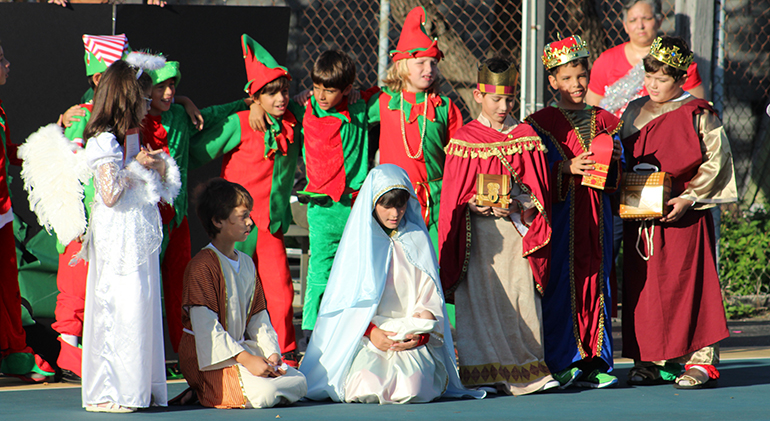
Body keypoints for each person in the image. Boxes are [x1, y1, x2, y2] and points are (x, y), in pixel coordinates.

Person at [300, 164, 485, 404]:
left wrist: (421, 335)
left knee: (412, 387)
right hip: (366, 339)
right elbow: (345, 304)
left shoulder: (417, 239)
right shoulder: (360, 244)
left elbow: (429, 297)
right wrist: (372, 332)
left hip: (409, 339)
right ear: (372, 204)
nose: (395, 213)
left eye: (401, 204)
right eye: (386, 205)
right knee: (366, 385)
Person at [619, 36, 737, 389]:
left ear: (680, 80)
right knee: (646, 289)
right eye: (649, 77)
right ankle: (650, 360)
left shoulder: (699, 112)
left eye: (662, 80)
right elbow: (622, 158)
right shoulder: (632, 110)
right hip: (641, 219)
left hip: (683, 215)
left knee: (689, 285)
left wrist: (688, 198)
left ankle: (699, 360)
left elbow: (718, 162)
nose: (652, 85)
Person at [438, 57, 557, 395]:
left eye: (509, 99)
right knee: (479, 301)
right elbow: (452, 199)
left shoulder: (526, 137)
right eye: (496, 99)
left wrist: (519, 206)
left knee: (520, 298)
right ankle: (484, 373)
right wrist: (470, 205)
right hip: (477, 239)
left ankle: (529, 370)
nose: (504, 107)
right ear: (478, 96)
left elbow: (540, 196)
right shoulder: (464, 139)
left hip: (515, 233)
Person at [189, 34, 301, 366]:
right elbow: (196, 152)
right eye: (271, 92)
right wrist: (244, 106)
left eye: (284, 90)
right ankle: (223, 356)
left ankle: (284, 357)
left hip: (269, 223)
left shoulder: (292, 120)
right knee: (228, 292)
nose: (281, 98)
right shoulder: (240, 122)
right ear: (256, 96)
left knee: (280, 289)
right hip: (234, 226)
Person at [80, 56, 180, 412]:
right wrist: (136, 166)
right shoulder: (104, 141)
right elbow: (108, 194)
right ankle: (113, 389)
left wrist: (154, 164)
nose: (147, 103)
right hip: (118, 235)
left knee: (141, 302)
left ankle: (139, 386)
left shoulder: (130, 135)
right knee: (121, 304)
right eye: (142, 97)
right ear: (126, 98)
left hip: (137, 230)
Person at [526, 35, 623, 389]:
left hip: (597, 220)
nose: (576, 84)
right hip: (563, 219)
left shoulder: (605, 121)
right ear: (552, 82)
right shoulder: (539, 124)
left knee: (597, 283)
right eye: (566, 78)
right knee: (562, 284)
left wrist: (612, 163)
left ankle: (596, 360)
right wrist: (564, 169)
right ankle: (562, 360)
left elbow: (620, 169)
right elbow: (531, 173)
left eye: (581, 76)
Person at [143, 59, 254, 353]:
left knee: (180, 285)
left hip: (176, 219)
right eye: (161, 86)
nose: (168, 93)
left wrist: (241, 103)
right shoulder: (134, 118)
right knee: (145, 288)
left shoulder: (179, 115)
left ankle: (185, 353)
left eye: (172, 86)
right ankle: (148, 356)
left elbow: (214, 114)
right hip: (146, 219)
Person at [177, 178, 307, 408]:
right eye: (243, 216)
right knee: (267, 393)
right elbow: (206, 326)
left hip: (237, 351)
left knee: (298, 381)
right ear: (217, 221)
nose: (250, 222)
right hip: (208, 358)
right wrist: (246, 359)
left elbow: (258, 315)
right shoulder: (202, 265)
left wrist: (272, 354)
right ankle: (206, 388)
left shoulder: (246, 263)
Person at [51, 33, 129, 383]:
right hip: (82, 224)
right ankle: (69, 354)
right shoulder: (82, 116)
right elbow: (66, 167)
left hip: (107, 222)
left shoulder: (114, 117)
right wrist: (76, 220)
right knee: (75, 288)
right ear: (99, 79)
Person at [293, 50, 379, 337]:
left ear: (346, 89)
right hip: (321, 210)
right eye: (317, 87)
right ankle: (312, 333)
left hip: (354, 208)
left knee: (358, 272)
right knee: (319, 271)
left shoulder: (361, 107)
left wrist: (362, 94)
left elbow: (395, 94)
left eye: (329, 90)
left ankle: (355, 332)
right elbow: (266, 101)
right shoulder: (304, 106)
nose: (320, 95)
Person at [367, 6, 463, 253]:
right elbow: (346, 115)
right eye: (420, 62)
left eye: (433, 62)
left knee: (436, 260)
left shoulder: (446, 107)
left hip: (436, 200)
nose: (428, 69)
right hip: (394, 201)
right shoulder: (383, 101)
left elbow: (459, 159)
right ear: (401, 65)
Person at [0, 38, 56, 384]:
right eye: (2, 59)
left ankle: (13, 352)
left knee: (7, 285)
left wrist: (48, 145)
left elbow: (8, 151)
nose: (8, 65)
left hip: (2, 214)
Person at [586, 0, 704, 117]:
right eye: (633, 20)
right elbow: (593, 110)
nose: (640, 26)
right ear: (625, 25)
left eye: (646, 18)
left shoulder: (677, 61)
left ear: (659, 21)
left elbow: (696, 110)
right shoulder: (606, 61)